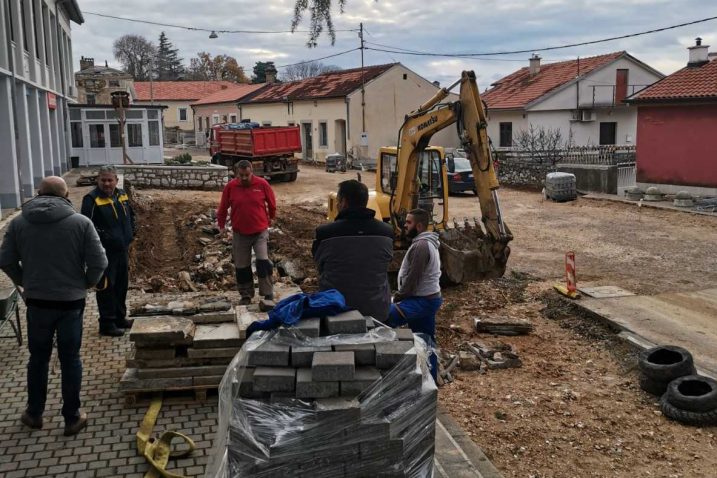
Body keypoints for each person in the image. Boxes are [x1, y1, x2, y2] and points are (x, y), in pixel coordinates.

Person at [0, 176, 107, 436]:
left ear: (38, 193)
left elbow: (5, 260)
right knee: (70, 359)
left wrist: (24, 281)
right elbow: (99, 262)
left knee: (38, 359)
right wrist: (85, 284)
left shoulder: (19, 223)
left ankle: (34, 413)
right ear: (66, 194)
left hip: (37, 302)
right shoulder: (81, 223)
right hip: (71, 303)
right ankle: (71, 418)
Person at [313, 180, 394, 320]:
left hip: (335, 311)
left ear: (343, 202)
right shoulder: (387, 232)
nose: (337, 204)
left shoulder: (324, 233)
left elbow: (320, 266)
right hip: (377, 311)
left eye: (338, 201)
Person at [81, 165, 136, 337]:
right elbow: (86, 226)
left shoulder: (122, 195)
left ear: (116, 181)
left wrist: (132, 233)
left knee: (121, 285)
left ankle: (120, 317)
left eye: (109, 180)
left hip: (122, 250)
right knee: (106, 288)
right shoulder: (91, 199)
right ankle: (107, 323)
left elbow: (131, 216)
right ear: (97, 180)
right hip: (104, 253)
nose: (106, 183)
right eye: (103, 180)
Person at [387, 209, 443, 380]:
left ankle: (390, 370)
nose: (404, 225)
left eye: (409, 222)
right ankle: (431, 380)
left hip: (421, 301)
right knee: (426, 340)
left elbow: (413, 279)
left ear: (419, 226)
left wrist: (397, 297)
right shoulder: (425, 243)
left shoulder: (421, 246)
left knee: (384, 318)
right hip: (428, 299)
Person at [217, 160, 277, 305]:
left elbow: (271, 202)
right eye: (241, 175)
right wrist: (221, 225)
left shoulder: (262, 184)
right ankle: (246, 294)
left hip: (259, 232)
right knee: (242, 266)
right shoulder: (230, 187)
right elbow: (223, 207)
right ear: (237, 173)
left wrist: (272, 218)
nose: (244, 178)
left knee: (263, 261)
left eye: (247, 175)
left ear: (252, 172)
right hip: (240, 233)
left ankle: (267, 292)